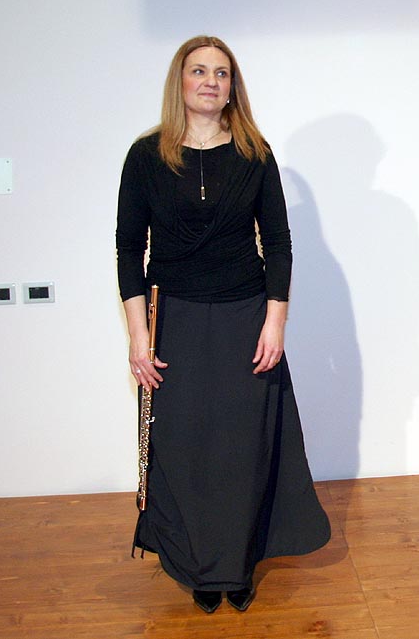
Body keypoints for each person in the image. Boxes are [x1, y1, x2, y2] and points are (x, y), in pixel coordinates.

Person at [116, 36, 330, 613]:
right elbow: (129, 248)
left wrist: (275, 322)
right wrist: (138, 337)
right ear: (180, 82)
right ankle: (199, 567)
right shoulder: (146, 156)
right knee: (185, 447)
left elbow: (279, 244)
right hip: (175, 320)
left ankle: (236, 567)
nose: (210, 81)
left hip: (245, 316)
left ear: (232, 87)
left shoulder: (255, 153)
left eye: (221, 73)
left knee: (242, 448)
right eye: (199, 71)